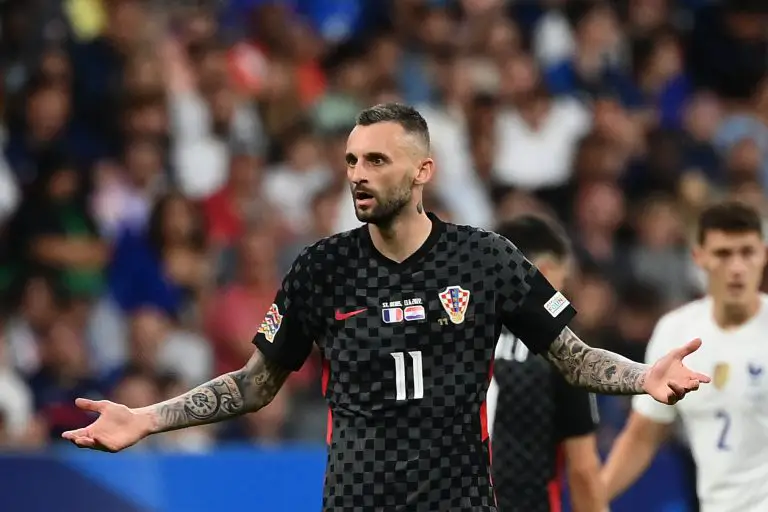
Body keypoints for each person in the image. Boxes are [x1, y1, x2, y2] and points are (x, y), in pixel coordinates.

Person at [63, 103, 709, 512]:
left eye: (376, 159)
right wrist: (146, 419)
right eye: (350, 160)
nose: (358, 174)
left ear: (423, 170)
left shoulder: (484, 260)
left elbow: (573, 358)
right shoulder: (322, 268)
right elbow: (255, 385)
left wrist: (642, 379)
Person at [602, 201, 768, 512]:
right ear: (699, 257)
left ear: (764, 255)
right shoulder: (676, 333)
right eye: (723, 253)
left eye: (747, 252)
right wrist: (593, 499)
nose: (736, 267)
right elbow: (643, 435)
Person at [487, 214, 605, 512]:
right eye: (563, 284)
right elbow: (582, 470)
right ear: (545, 272)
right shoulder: (560, 350)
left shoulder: (450, 335)